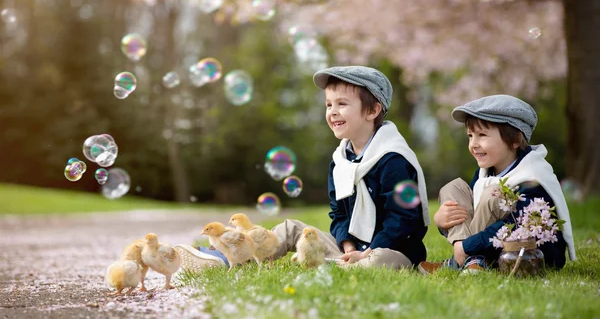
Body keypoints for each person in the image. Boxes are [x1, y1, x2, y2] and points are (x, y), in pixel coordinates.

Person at [176, 65, 430, 270]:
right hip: (349, 251)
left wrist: (369, 251)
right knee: (291, 229)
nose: (332, 112)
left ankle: (331, 264)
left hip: (391, 250)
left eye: (342, 104)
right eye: (328, 105)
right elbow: (339, 214)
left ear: (373, 110)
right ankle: (227, 256)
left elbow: (402, 219)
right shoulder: (341, 160)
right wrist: (348, 246)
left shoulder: (392, 158)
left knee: (381, 263)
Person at [418, 95, 576, 275]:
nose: (473, 144)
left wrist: (467, 245)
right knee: (453, 188)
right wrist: (442, 223)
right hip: (491, 247)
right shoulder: (486, 171)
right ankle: (470, 260)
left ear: (515, 140)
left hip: (527, 255)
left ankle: (468, 259)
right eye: (470, 136)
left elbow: (514, 225)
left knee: (494, 193)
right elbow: (476, 215)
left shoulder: (532, 176)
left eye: (482, 135)